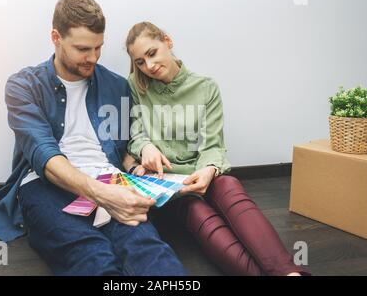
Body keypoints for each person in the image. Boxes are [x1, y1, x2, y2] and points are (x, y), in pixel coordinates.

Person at [0, 0, 187, 276]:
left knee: (148, 249)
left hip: (108, 178)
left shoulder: (116, 85)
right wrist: (104, 196)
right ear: (56, 37)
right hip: (44, 183)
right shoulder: (23, 86)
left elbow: (124, 147)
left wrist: (141, 169)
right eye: (82, 49)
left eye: (98, 47)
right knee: (91, 256)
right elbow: (44, 155)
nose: (93, 57)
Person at [125, 21, 310, 276]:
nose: (149, 65)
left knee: (230, 186)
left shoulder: (206, 87)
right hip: (168, 186)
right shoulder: (136, 87)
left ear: (167, 41)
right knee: (198, 213)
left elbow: (213, 144)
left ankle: (290, 273)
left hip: (200, 171)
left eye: (152, 53)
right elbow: (134, 133)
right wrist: (145, 146)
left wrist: (210, 169)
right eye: (140, 62)